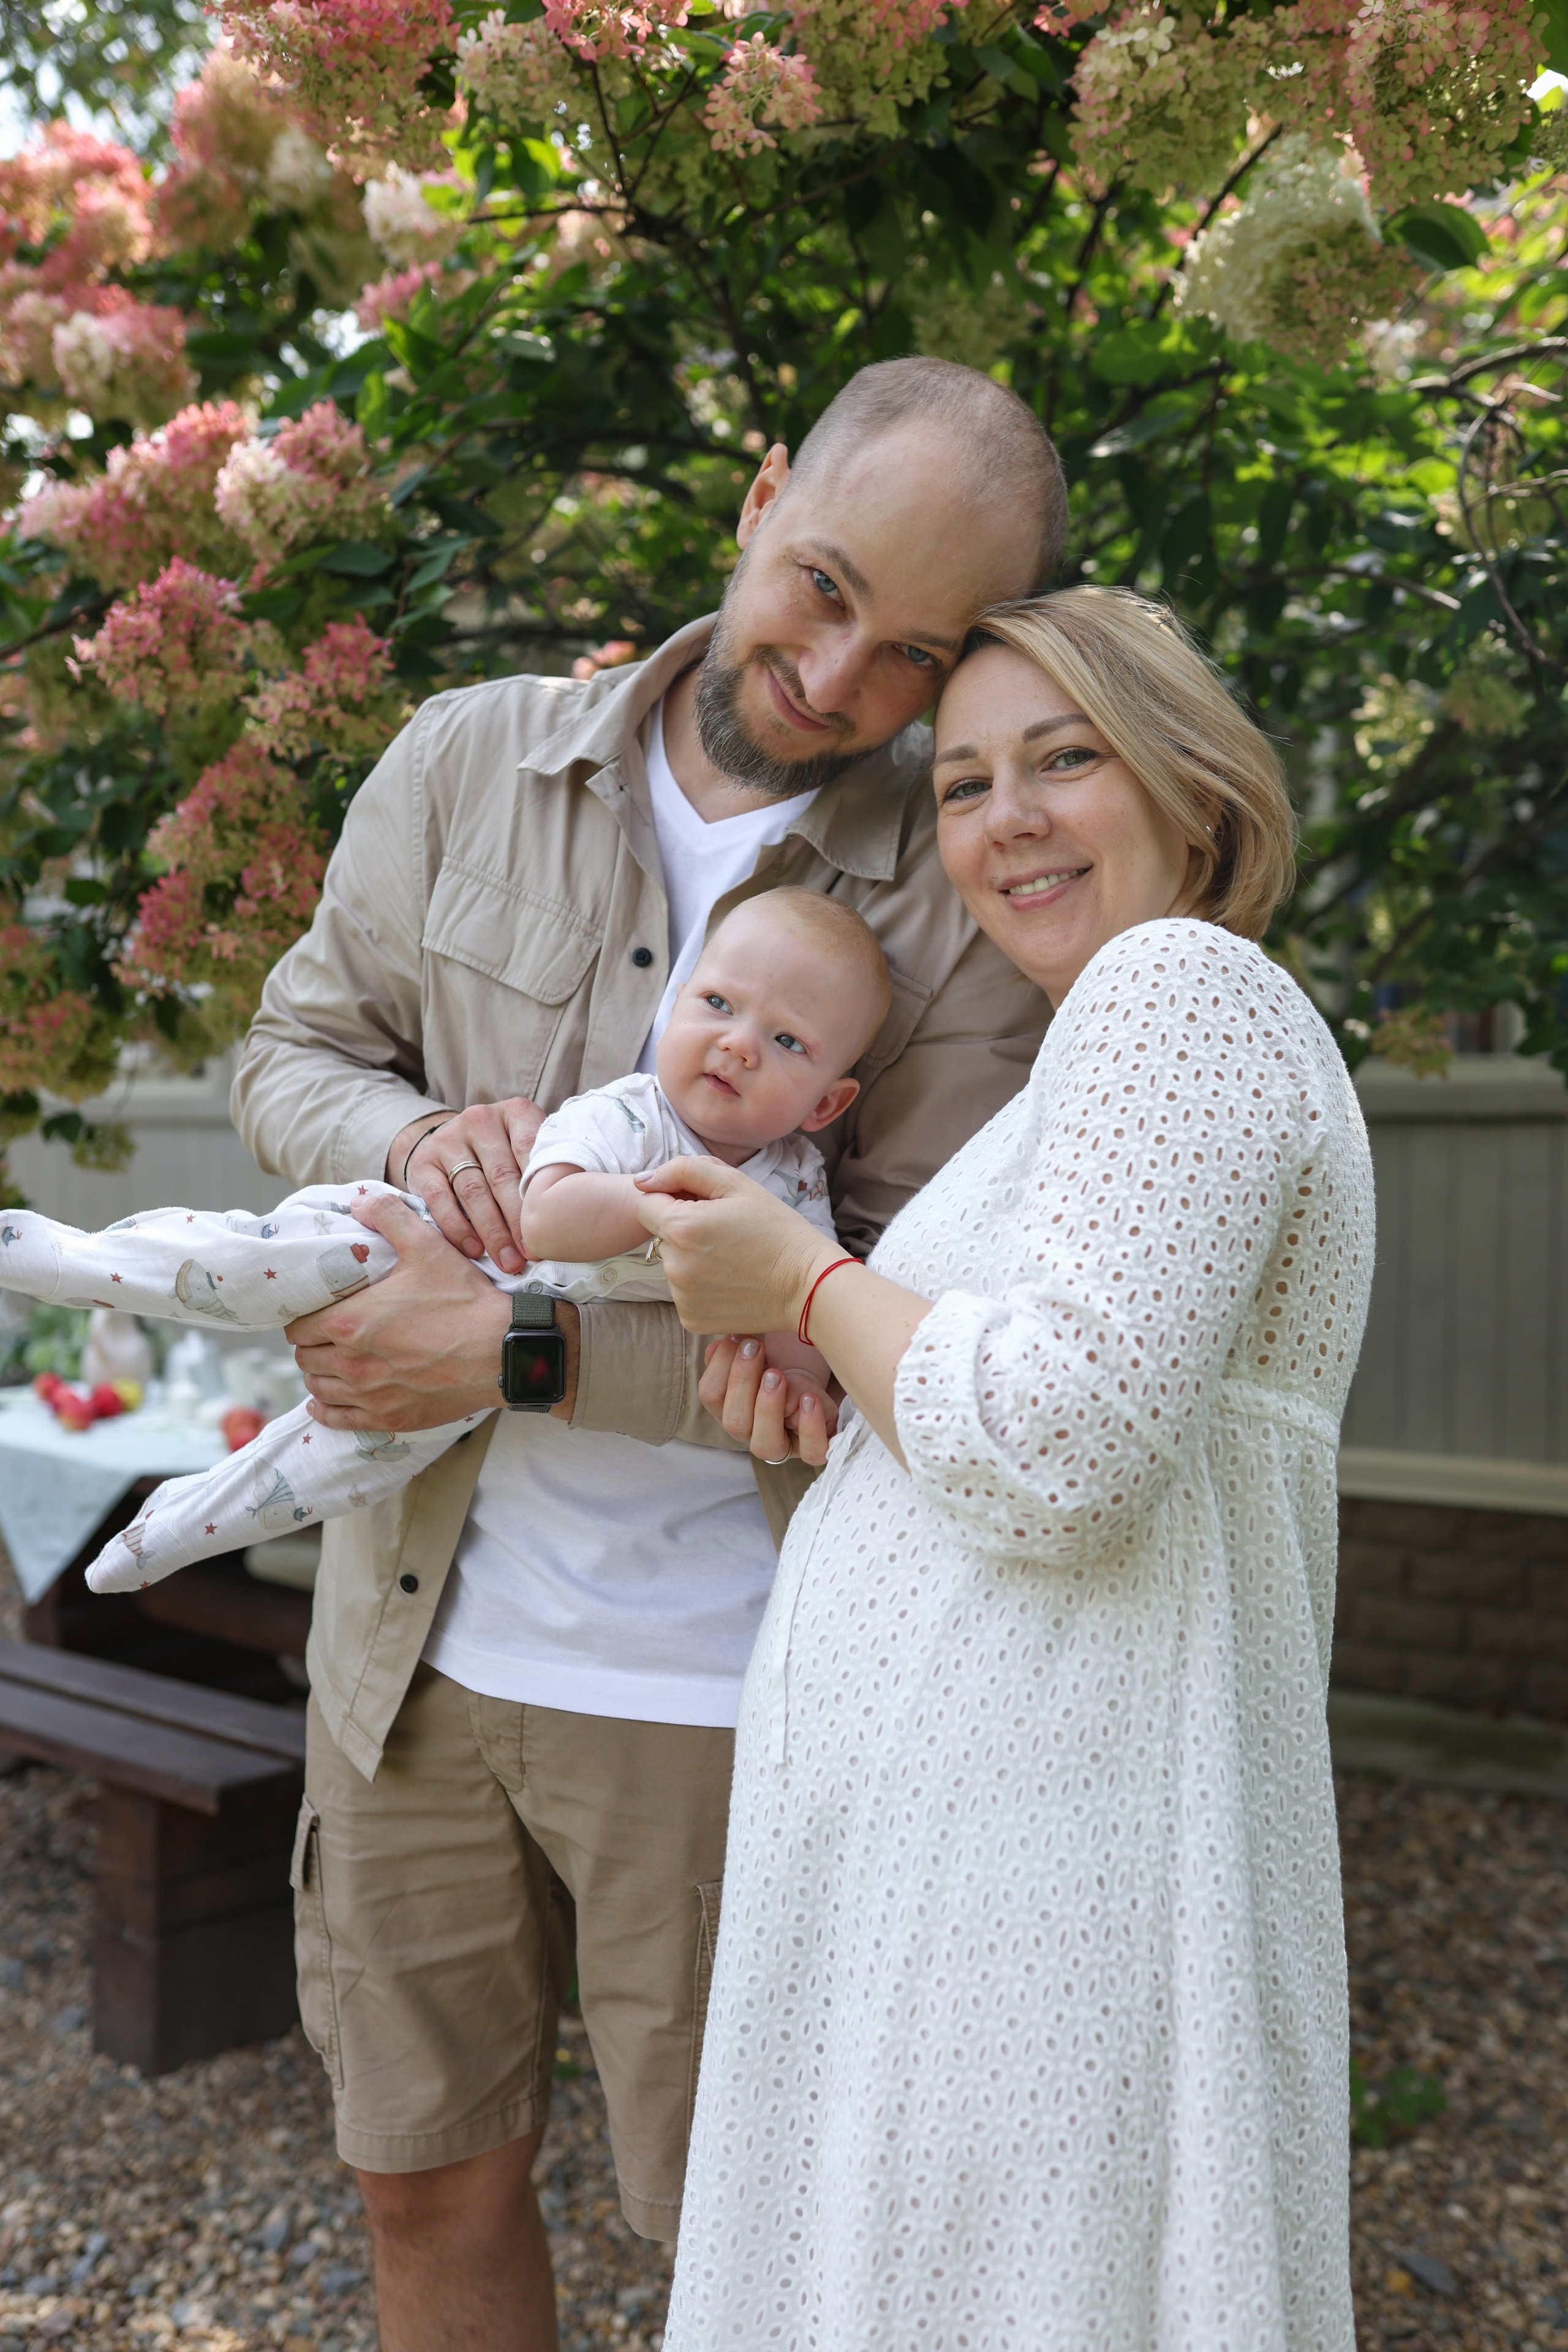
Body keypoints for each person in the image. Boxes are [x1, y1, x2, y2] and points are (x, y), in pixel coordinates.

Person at [226, 356, 1068, 2349]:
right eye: (826, 585)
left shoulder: (951, 909)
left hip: (726, 1688)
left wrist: (502, 1351)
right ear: (763, 489)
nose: (843, 675)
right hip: (409, 1651)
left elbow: (896, 1335)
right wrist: (404, 1140)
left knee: (755, 2248)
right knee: (423, 2186)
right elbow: (290, 1053)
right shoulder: (461, 761)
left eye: (917, 652)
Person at [636, 588, 1375, 2351]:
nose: (1005, 821)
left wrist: (800, 1277)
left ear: (1191, 785)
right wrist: (841, 1383)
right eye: (963, 784)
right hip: (983, 1867)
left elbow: (1063, 1446)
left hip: (1043, 1892)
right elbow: (1037, 1403)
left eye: (1065, 759)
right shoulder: (1099, 1056)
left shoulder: (1174, 987)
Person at [0, 890, 883, 1589]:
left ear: (824, 1104)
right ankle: (82, 1262)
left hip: (470, 1368)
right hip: (400, 1244)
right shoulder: (631, 1112)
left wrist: (800, 1390)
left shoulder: (793, 1183)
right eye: (718, 1004)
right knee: (242, 1261)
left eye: (785, 1039)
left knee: (346, 1461)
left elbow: (795, 1306)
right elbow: (549, 1219)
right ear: (674, 1006)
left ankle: (178, 1530)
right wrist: (671, 1206)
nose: (736, 1045)